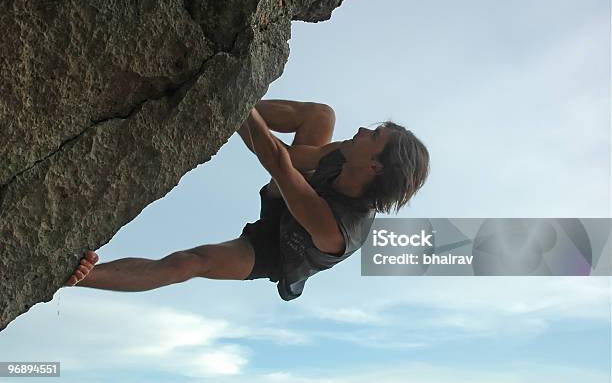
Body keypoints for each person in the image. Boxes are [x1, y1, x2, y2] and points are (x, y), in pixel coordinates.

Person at [63, 100, 430, 300]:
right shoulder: (345, 154)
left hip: (280, 248)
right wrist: (231, 107)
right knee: (322, 115)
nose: (364, 130)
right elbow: (285, 154)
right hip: (296, 188)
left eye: (375, 135)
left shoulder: (339, 231)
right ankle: (211, 106)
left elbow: (278, 163)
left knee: (190, 263)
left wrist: (235, 88)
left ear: (376, 167)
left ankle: (76, 278)